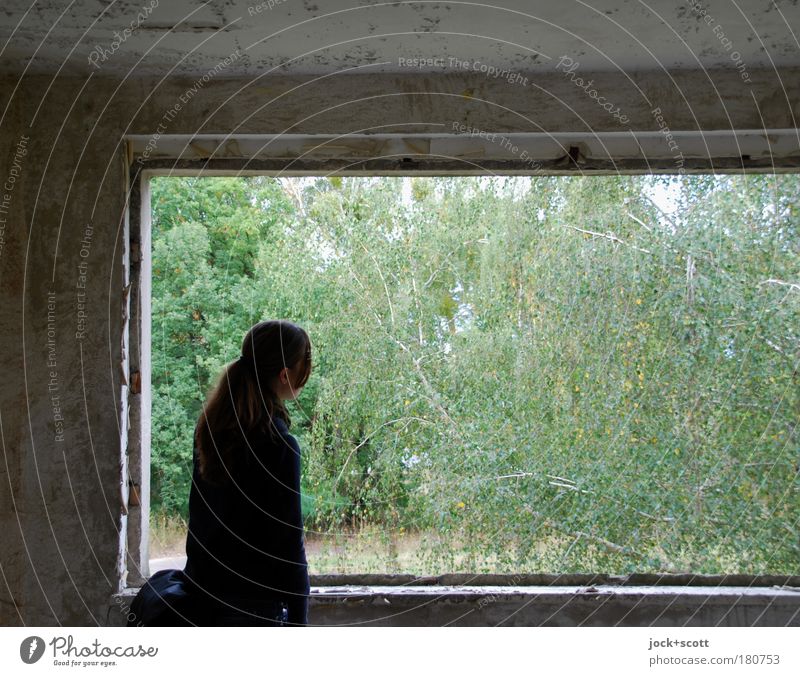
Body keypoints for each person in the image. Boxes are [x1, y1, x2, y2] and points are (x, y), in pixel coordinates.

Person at [181, 319, 313, 626]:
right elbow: (290, 549)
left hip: (203, 602)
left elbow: (199, 523)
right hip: (255, 612)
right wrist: (299, 621)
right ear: (284, 375)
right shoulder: (280, 446)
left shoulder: (211, 429)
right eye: (304, 365)